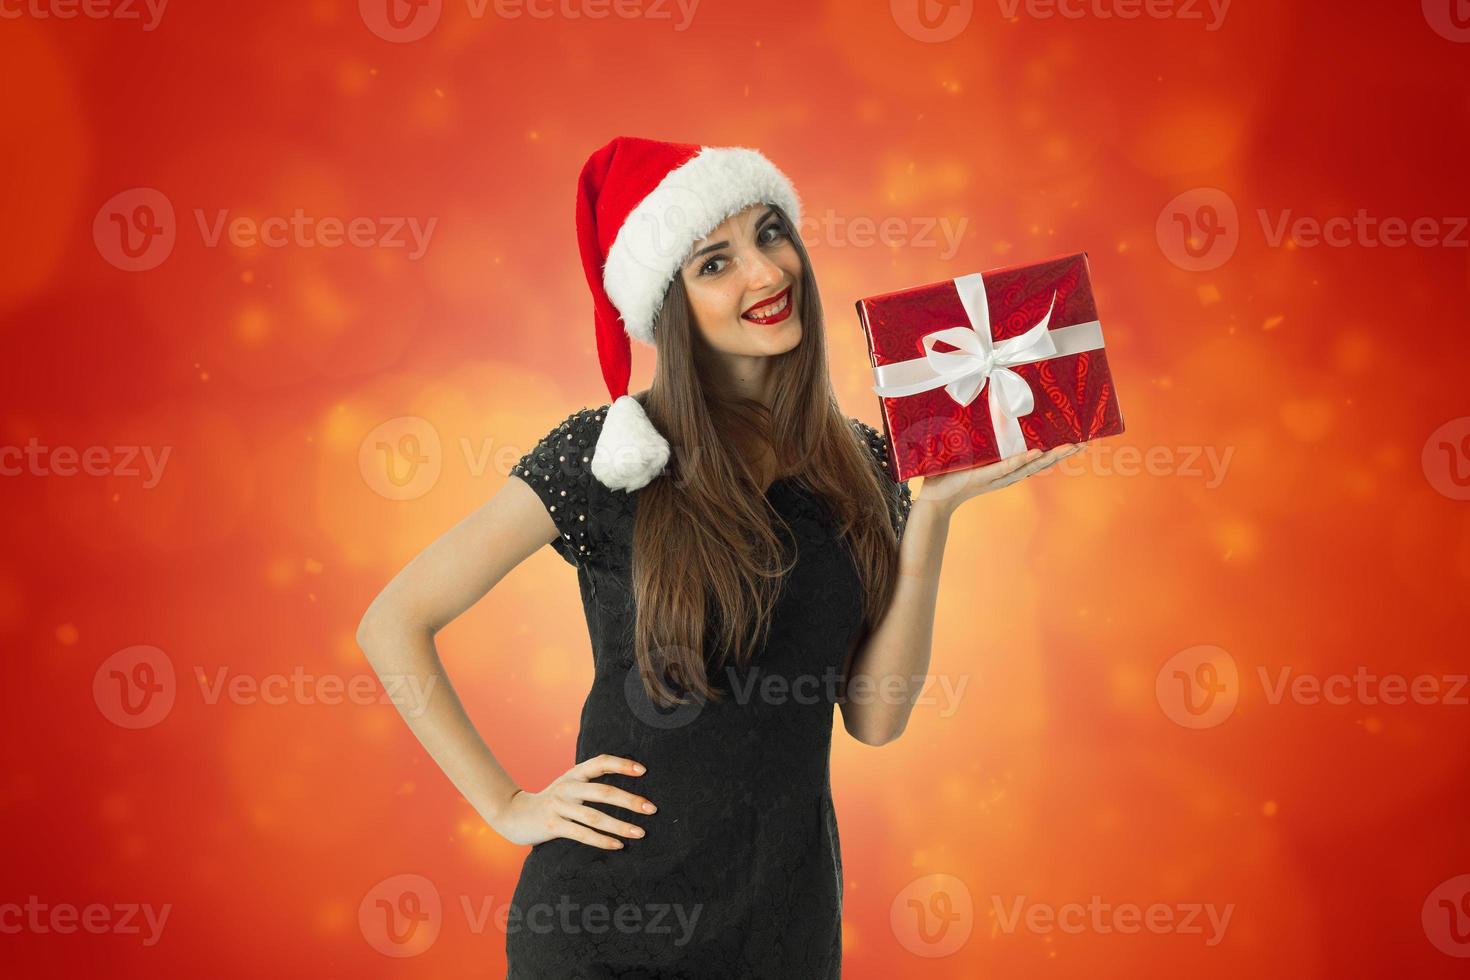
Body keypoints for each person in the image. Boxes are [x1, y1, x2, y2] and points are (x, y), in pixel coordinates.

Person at [356, 135, 1081, 978]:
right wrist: (508, 804)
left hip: (785, 924)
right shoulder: (610, 454)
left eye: (772, 234)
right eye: (715, 262)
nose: (767, 274)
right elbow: (393, 622)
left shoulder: (859, 461)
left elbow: (875, 722)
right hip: (604, 932)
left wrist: (935, 515)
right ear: (668, 301)